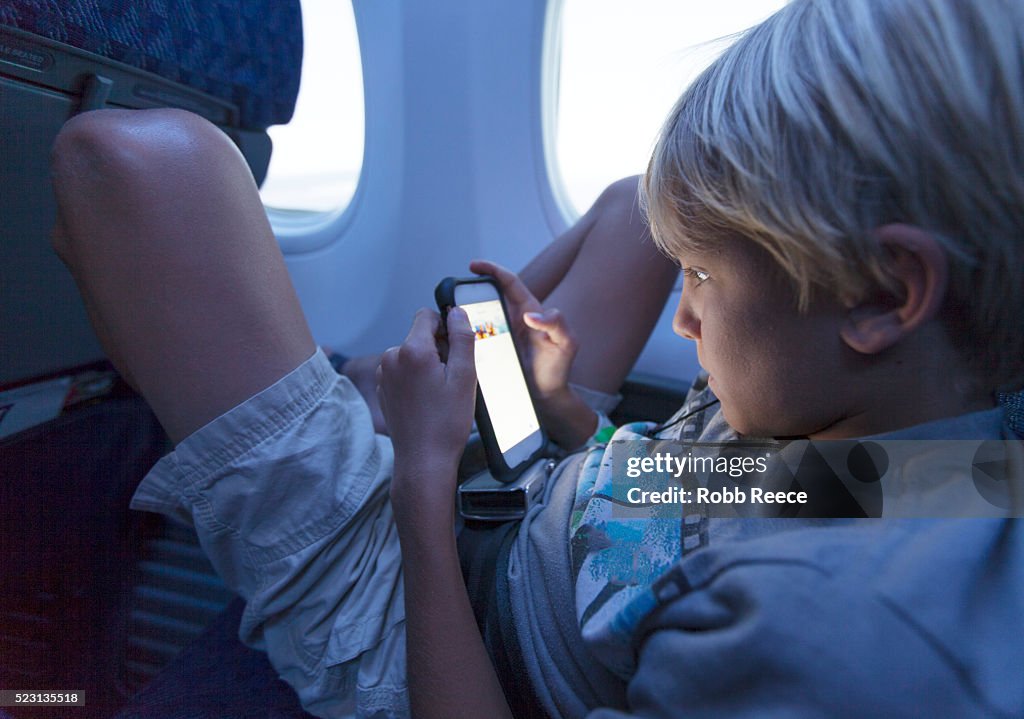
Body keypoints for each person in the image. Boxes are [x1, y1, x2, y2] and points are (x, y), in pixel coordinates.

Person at [51, 0, 1023, 717]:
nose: (681, 321)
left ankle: (367, 417)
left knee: (124, 163)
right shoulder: (932, 442)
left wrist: (424, 488)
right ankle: (390, 399)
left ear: (887, 294)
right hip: (545, 491)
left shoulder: (812, 634)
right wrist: (568, 416)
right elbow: (732, 489)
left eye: (708, 283)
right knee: (641, 205)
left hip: (428, 614)